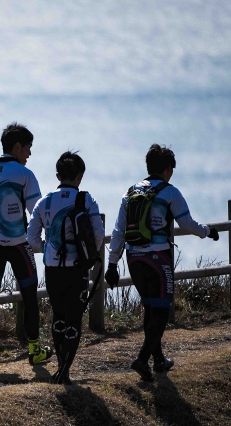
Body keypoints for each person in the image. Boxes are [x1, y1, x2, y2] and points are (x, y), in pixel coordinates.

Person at [105, 144, 219, 382]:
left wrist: (112, 264)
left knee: (150, 307)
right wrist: (207, 231)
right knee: (162, 311)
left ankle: (158, 361)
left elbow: (118, 231)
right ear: (168, 169)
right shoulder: (170, 192)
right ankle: (142, 359)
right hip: (158, 258)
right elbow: (186, 223)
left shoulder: (130, 192)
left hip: (133, 257)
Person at [0, 122, 53, 370]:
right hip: (20, 246)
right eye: (28, 148)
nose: (29, 154)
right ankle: (35, 351)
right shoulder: (25, 175)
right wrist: (40, 242)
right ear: (17, 147)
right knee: (29, 298)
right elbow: (37, 215)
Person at [27, 151, 105, 384]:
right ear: (80, 176)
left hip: (52, 267)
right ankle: (65, 370)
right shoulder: (86, 200)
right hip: (77, 267)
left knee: (58, 316)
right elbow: (98, 235)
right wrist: (86, 254)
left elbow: (31, 239)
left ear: (58, 175)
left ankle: (60, 366)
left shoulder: (44, 202)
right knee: (74, 318)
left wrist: (47, 247)